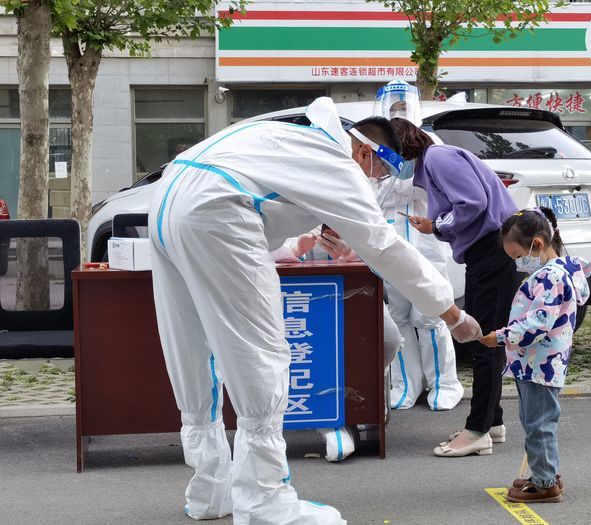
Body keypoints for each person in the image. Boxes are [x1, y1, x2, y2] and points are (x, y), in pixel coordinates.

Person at [147, 97, 482, 524]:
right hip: (218, 211)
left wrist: (293, 244)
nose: (378, 181)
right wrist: (450, 312)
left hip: (168, 200)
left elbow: (270, 207)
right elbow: (380, 244)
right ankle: (264, 502)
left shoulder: (292, 138)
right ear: (365, 151)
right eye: (382, 170)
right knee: (260, 356)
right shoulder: (335, 161)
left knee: (191, 348)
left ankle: (212, 489)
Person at [390, 117, 520, 458]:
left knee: (485, 341)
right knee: (484, 338)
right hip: (488, 251)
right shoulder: (434, 163)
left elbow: (472, 203)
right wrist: (437, 226)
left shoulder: (437, 158)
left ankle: (477, 430)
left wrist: (438, 225)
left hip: (492, 248)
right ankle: (492, 421)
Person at [480, 207, 591, 503]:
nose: (518, 262)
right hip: (537, 363)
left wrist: (502, 337)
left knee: (538, 424)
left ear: (537, 245)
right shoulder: (560, 272)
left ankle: (545, 483)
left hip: (539, 365)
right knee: (537, 422)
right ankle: (545, 472)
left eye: (518, 255)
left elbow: (539, 321)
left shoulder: (550, 278)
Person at [272, 226, 403, 462]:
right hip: (295, 297)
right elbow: (261, 247)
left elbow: (386, 251)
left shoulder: (356, 193)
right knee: (310, 346)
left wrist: (352, 253)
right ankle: (329, 421)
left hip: (358, 290)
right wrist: (294, 249)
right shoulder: (283, 197)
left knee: (388, 338)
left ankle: (367, 398)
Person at [372, 80, 464, 411]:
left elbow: (428, 188)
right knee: (397, 317)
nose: (398, 110)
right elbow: (372, 190)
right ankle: (404, 384)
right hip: (391, 242)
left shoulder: (430, 144)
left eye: (402, 105)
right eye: (392, 106)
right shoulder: (377, 145)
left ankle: (444, 382)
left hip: (426, 243)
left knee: (430, 314)